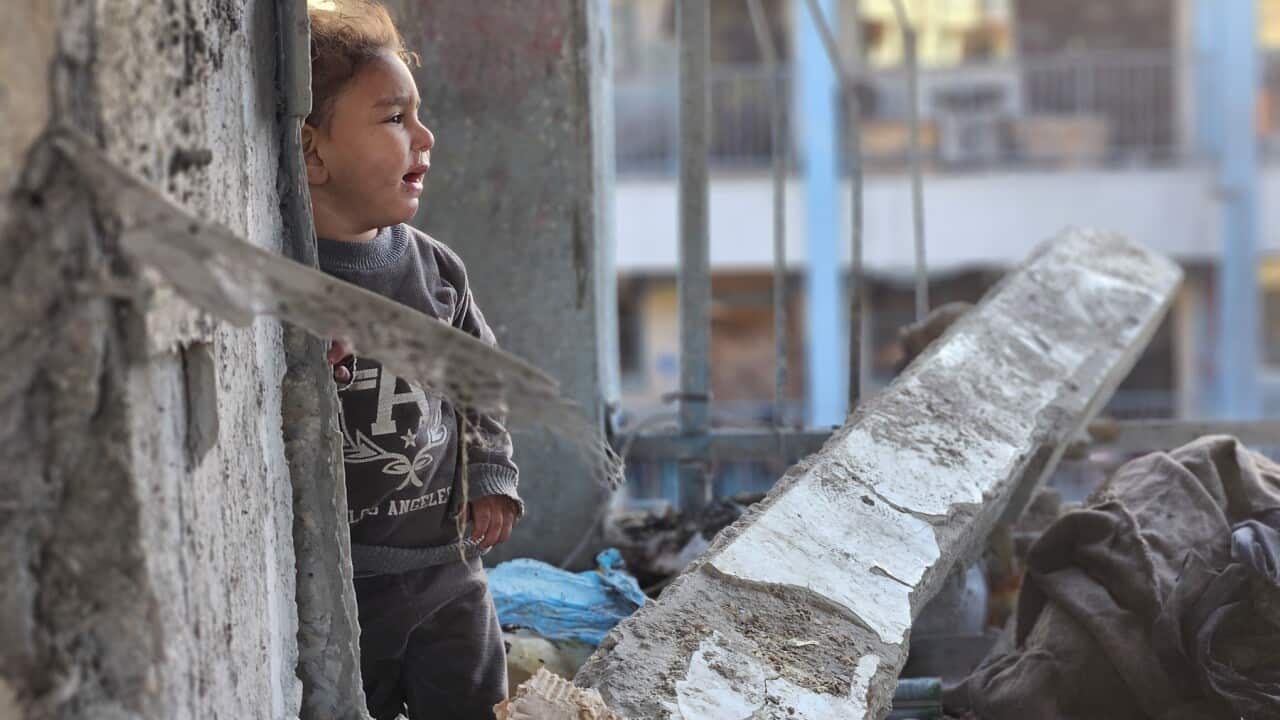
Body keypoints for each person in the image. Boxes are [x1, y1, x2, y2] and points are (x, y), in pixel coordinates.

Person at [304, 2, 520, 717]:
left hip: (446, 566)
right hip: (346, 585)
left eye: (417, 115)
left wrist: (490, 473)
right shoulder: (291, 280)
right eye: (394, 119)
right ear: (313, 153)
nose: (425, 136)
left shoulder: (434, 272)